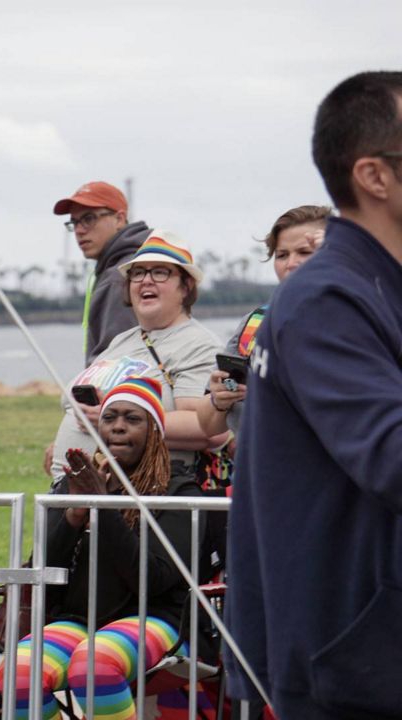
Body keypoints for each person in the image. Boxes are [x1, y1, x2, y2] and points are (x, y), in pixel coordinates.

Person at [227, 71, 402, 717]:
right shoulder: (328, 299)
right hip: (353, 659)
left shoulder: (379, 285)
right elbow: (392, 455)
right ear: (374, 176)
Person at [2, 378, 202, 719]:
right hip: (80, 618)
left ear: (154, 431)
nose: (118, 427)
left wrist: (104, 507)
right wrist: (75, 514)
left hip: (155, 618)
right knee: (18, 674)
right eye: (110, 418)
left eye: (132, 419)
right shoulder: (76, 483)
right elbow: (43, 571)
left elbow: (153, 581)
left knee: (95, 666)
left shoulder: (179, 491)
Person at [47, 233, 222, 486]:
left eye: (160, 272)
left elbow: (205, 428)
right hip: (74, 500)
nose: (146, 281)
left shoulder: (197, 345)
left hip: (136, 503)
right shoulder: (121, 341)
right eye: (137, 273)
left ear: (185, 287)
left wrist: (112, 418)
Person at [196, 205, 330, 437]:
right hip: (260, 469)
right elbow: (208, 427)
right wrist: (219, 400)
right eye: (282, 255)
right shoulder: (255, 323)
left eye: (306, 252)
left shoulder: (360, 315)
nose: (291, 263)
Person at [53, 180, 151, 363]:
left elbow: (115, 361)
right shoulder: (144, 262)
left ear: (119, 219)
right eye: (74, 223)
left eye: (89, 218)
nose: (79, 230)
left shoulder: (119, 276)